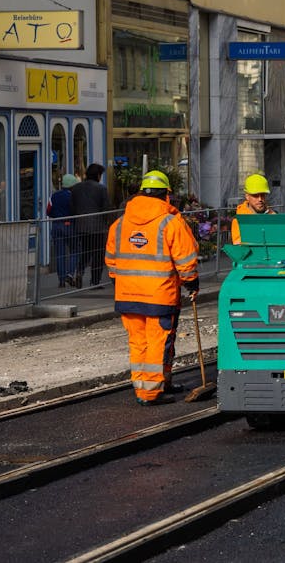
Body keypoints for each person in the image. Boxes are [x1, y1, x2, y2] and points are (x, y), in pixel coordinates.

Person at [105, 170, 200, 405]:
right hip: (159, 295)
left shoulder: (120, 223)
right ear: (166, 195)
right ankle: (150, 392)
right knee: (158, 342)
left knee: (138, 342)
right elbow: (185, 259)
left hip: (127, 295)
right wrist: (192, 283)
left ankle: (147, 385)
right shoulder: (170, 222)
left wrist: (121, 282)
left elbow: (111, 261)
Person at [70, 163, 111, 287]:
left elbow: (72, 207)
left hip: (81, 226)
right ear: (98, 175)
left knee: (85, 251)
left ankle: (80, 272)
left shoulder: (76, 188)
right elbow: (106, 208)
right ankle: (95, 281)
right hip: (97, 227)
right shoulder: (101, 189)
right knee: (98, 254)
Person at [47, 174, 78, 287]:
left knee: (60, 254)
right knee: (75, 250)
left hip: (56, 225)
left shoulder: (54, 196)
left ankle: (61, 280)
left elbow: (48, 211)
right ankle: (69, 274)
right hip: (70, 226)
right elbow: (76, 211)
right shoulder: (73, 197)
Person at [231, 173, 276, 244]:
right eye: (255, 195)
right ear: (247, 196)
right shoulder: (239, 220)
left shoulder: (273, 216)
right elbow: (238, 246)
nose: (260, 199)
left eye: (262, 195)